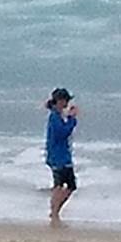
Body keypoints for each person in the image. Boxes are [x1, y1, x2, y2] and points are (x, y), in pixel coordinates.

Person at [43, 89, 79, 225]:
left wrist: (69, 118)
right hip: (58, 157)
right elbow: (62, 133)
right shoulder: (54, 117)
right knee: (60, 186)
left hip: (61, 155)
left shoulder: (57, 116)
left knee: (68, 185)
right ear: (59, 101)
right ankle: (54, 213)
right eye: (65, 100)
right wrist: (72, 119)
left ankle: (55, 211)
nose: (67, 103)